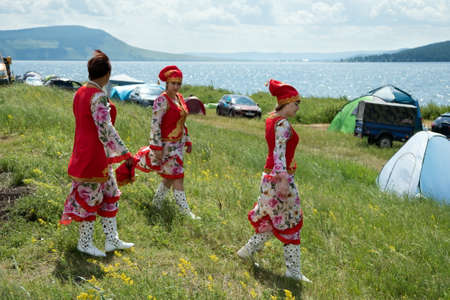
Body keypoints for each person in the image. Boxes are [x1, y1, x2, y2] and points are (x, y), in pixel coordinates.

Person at [60, 50, 135, 257]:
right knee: (90, 199)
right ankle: (84, 243)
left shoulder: (80, 92)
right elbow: (106, 129)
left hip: (86, 152)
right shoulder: (98, 97)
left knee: (110, 193)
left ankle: (112, 240)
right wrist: (125, 153)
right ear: (107, 74)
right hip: (93, 156)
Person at [237, 79, 311, 282]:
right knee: (291, 222)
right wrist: (283, 181)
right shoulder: (282, 124)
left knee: (271, 221)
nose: (297, 107)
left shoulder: (272, 119)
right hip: (279, 180)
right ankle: (293, 272)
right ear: (286, 102)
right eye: (296, 103)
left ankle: (246, 252)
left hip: (270, 179)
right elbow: (279, 153)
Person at [135, 65, 199, 220]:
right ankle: (184, 211)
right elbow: (155, 125)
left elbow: (182, 121)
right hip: (166, 146)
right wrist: (156, 147)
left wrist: (187, 140)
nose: (176, 87)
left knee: (170, 177)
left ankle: (156, 203)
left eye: (178, 83)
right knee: (178, 176)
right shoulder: (161, 101)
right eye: (173, 83)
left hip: (178, 144)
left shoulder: (179, 98)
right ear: (167, 84)